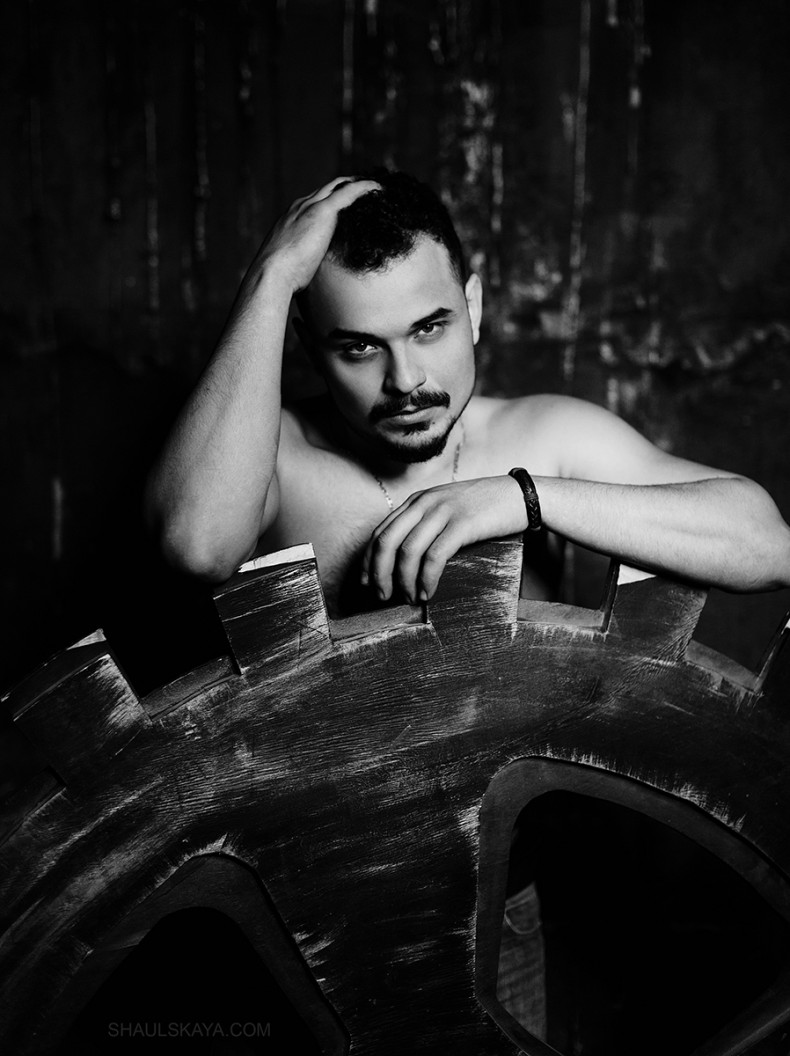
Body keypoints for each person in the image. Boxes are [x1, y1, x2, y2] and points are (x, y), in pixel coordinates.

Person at [145, 169, 790, 1038]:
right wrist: (270, 281)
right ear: (305, 340)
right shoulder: (278, 458)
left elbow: (766, 541)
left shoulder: (539, 439)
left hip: (499, 904)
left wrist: (524, 497)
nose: (406, 379)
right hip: (299, 914)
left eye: (430, 327)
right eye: (358, 347)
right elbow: (195, 543)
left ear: (474, 307)